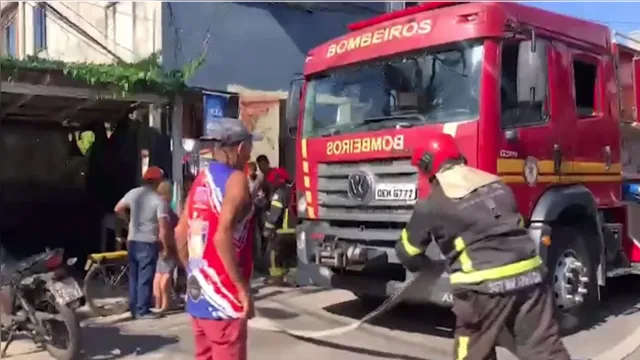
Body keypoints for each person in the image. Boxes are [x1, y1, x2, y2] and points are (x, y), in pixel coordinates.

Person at [395, 133, 570, 360]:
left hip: (483, 290)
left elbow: (407, 253)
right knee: (544, 349)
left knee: (473, 353)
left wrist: (431, 268)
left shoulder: (431, 205)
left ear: (428, 165)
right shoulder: (497, 185)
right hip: (531, 278)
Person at [175, 117, 260, 360]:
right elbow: (222, 235)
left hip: (199, 296)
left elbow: (181, 233)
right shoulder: (236, 180)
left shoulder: (201, 180)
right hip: (224, 298)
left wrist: (194, 272)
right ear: (242, 147)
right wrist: (241, 289)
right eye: (249, 147)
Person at [114, 166, 170, 320]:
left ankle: (134, 308)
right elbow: (163, 228)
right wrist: (165, 246)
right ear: (157, 180)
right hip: (148, 242)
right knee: (145, 277)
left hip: (133, 240)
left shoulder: (133, 193)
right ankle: (142, 310)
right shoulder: (158, 200)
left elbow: (118, 208)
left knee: (134, 276)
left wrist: (128, 222)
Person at [262, 176, 297, 286]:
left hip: (284, 229)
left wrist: (267, 229)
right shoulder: (295, 188)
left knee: (273, 251)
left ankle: (276, 277)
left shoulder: (280, 193)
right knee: (293, 254)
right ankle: (293, 277)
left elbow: (274, 214)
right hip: (297, 229)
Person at [153, 180, 179, 313]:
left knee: (158, 274)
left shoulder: (156, 205)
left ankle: (158, 304)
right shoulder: (165, 208)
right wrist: (168, 247)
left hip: (158, 244)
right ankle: (165, 304)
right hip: (167, 243)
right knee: (166, 275)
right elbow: (165, 230)